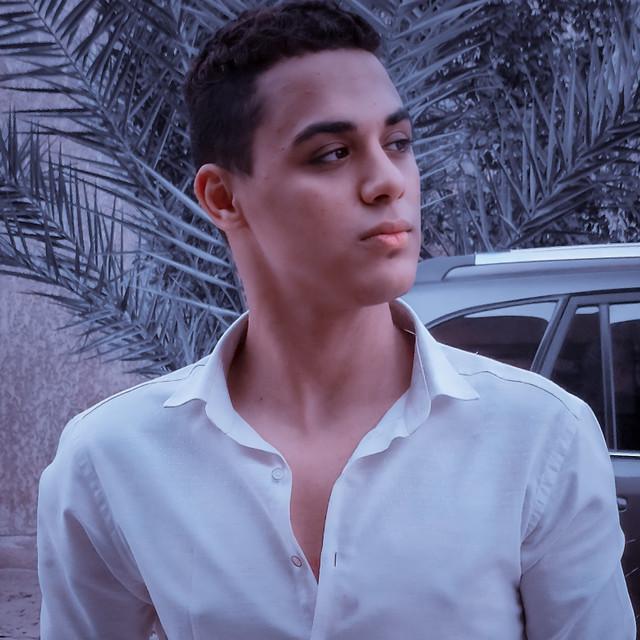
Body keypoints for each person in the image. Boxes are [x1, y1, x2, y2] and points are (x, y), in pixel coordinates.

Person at [37, 2, 636, 638]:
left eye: (398, 143)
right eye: (331, 153)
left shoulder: (542, 438)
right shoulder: (112, 459)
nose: (387, 181)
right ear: (223, 196)